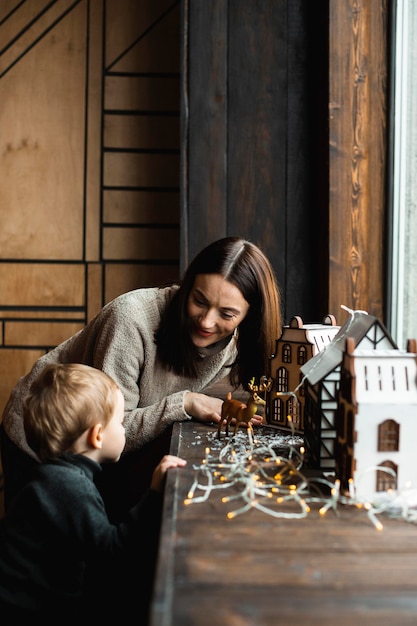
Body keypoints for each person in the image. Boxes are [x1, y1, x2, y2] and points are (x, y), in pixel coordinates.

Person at [0, 236, 282, 519]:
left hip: (94, 453)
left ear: (249, 315)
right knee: (43, 554)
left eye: (227, 313)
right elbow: (110, 427)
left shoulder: (235, 346)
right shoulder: (131, 319)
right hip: (39, 435)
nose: (207, 321)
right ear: (187, 288)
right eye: (199, 300)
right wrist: (184, 403)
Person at [0, 362, 187, 624]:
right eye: (120, 422)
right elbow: (113, 555)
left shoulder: (56, 477)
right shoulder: (67, 487)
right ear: (97, 436)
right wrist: (155, 492)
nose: (124, 429)